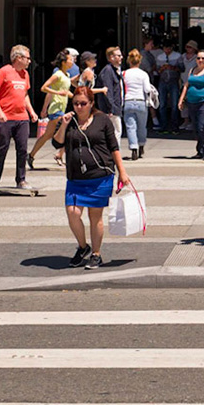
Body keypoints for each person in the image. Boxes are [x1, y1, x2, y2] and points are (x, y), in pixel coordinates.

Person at [52, 86, 131, 269]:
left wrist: (122, 172)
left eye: (83, 103)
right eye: (76, 103)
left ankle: (96, 253)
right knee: (73, 212)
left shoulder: (102, 120)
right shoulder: (69, 121)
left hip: (100, 176)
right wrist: (63, 124)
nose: (79, 107)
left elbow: (114, 147)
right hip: (75, 178)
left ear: (91, 103)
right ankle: (82, 247)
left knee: (95, 216)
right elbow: (57, 142)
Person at [0, 46, 34, 193]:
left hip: (22, 117)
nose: (29, 61)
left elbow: (25, 94)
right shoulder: (4, 71)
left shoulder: (25, 74)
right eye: (27, 58)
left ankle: (21, 179)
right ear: (18, 58)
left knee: (22, 149)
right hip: (5, 117)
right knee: (2, 148)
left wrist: (31, 111)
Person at [29, 49, 78, 168]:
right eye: (70, 60)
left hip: (61, 107)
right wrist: (58, 92)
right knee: (68, 130)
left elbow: (66, 91)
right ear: (64, 62)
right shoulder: (57, 75)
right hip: (56, 109)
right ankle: (63, 156)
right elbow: (44, 88)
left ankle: (31, 155)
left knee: (47, 135)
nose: (72, 62)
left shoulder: (66, 75)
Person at [119, 49, 153, 160]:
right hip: (140, 101)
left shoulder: (124, 73)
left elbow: (121, 89)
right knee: (142, 126)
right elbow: (147, 89)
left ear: (129, 61)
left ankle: (133, 148)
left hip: (128, 101)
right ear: (139, 61)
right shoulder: (143, 74)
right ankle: (141, 144)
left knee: (130, 127)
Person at [97, 45, 124, 116]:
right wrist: (111, 109)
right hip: (111, 112)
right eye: (119, 56)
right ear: (111, 57)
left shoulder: (116, 71)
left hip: (117, 109)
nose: (121, 57)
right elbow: (108, 91)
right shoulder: (108, 71)